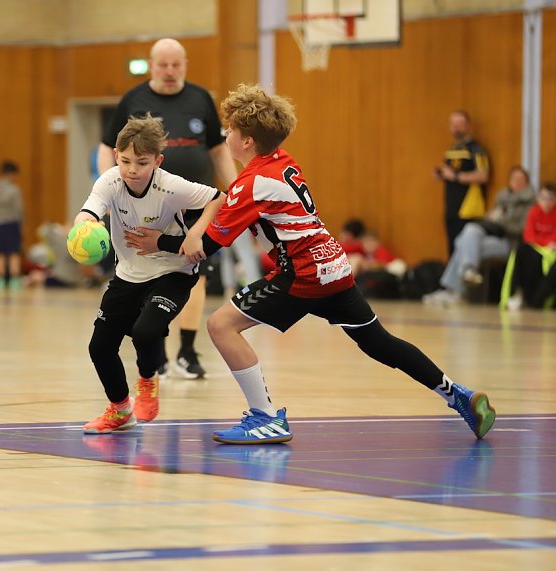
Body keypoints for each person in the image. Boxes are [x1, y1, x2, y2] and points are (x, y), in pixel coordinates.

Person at [126, 84, 496, 444]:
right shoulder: (282, 162)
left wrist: (159, 241)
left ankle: (265, 418)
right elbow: (234, 209)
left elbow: (203, 248)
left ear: (247, 141)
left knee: (221, 325)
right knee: (378, 342)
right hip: (333, 265)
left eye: (231, 130)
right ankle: (457, 394)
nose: (226, 135)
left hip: (302, 274)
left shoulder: (250, 184)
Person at [97, 37, 237, 380]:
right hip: (144, 205)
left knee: (195, 271)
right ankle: (154, 351)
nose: (170, 71)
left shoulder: (200, 98)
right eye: (163, 65)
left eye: (176, 65)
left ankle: (187, 352)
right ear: (152, 65)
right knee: (147, 274)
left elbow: (218, 149)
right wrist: (109, 192)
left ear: (185, 65)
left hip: (196, 205)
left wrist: (236, 189)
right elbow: (107, 147)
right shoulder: (134, 99)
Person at [78, 114, 224, 434]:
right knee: (99, 348)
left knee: (146, 332)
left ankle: (147, 380)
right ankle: (120, 411)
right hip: (129, 273)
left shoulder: (171, 186)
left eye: (142, 163)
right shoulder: (110, 181)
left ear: (158, 161)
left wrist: (195, 233)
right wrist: (84, 226)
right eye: (125, 161)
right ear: (115, 155)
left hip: (174, 271)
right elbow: (90, 208)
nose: (132, 169)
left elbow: (218, 198)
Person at [424, 166, 536, 306]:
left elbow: (523, 230)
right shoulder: (502, 199)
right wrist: (491, 218)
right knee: (470, 230)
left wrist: (502, 221)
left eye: (521, 179)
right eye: (514, 179)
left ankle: (454, 291)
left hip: (511, 243)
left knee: (462, 243)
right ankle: (468, 271)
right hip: (494, 236)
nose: (517, 182)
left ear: (527, 182)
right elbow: (492, 223)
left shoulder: (530, 203)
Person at [433, 110, 489, 257]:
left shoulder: (476, 149)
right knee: (452, 248)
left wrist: (456, 176)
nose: (456, 128)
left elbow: (483, 175)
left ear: (468, 126)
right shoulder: (451, 149)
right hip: (451, 206)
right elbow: (449, 172)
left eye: (460, 124)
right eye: (453, 124)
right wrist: (440, 173)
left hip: (468, 208)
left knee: (465, 249)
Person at [502, 183, 556, 310]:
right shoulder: (533, 212)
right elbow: (528, 236)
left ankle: (538, 301)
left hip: (551, 252)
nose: (546, 202)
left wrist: (545, 243)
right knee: (521, 251)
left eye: (551, 198)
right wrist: (545, 243)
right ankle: (516, 293)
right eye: (543, 197)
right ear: (538, 198)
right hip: (537, 248)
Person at [0, 160, 24, 290]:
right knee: (14, 252)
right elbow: (18, 209)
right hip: (12, 222)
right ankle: (14, 280)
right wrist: (21, 224)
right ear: (12, 174)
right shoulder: (14, 189)